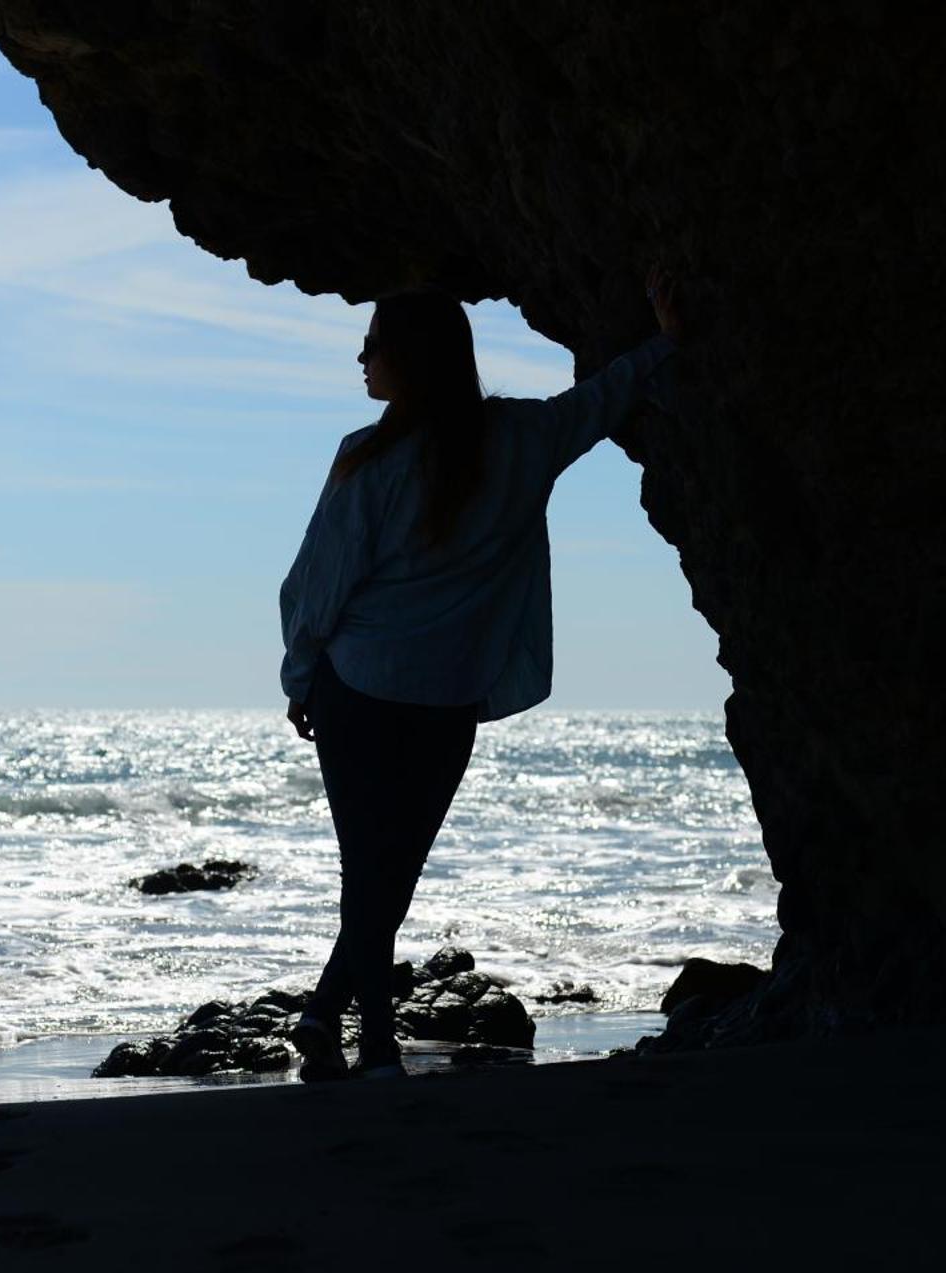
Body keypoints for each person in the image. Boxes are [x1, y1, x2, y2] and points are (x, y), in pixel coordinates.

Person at [280, 264, 684, 1080]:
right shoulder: (521, 441)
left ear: (410, 358)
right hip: (447, 697)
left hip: (358, 688)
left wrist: (297, 678)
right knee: (386, 870)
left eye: (373, 346)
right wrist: (667, 343)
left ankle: (375, 1045)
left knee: (372, 870)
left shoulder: (367, 459)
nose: (362, 360)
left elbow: (316, 585)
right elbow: (603, 399)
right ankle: (327, 1017)